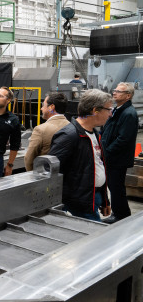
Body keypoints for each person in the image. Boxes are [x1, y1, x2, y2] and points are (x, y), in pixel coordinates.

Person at [48, 89, 113, 222]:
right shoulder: (69, 135)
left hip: (94, 197)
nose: (110, 114)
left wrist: (105, 200)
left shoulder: (95, 134)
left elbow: (98, 167)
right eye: (108, 109)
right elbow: (51, 171)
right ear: (95, 110)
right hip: (79, 203)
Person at [101, 83, 138, 222]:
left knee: (116, 187)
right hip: (111, 156)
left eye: (118, 91)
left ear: (128, 95)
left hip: (117, 158)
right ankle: (121, 214)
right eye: (114, 90)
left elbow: (123, 139)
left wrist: (107, 152)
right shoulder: (118, 110)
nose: (114, 93)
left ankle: (121, 216)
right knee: (114, 186)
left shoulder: (129, 113)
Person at [24, 93, 70, 171]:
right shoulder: (72, 127)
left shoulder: (41, 130)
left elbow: (29, 158)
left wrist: (33, 175)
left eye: (43, 105)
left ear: (51, 107)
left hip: (46, 177)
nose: (41, 109)